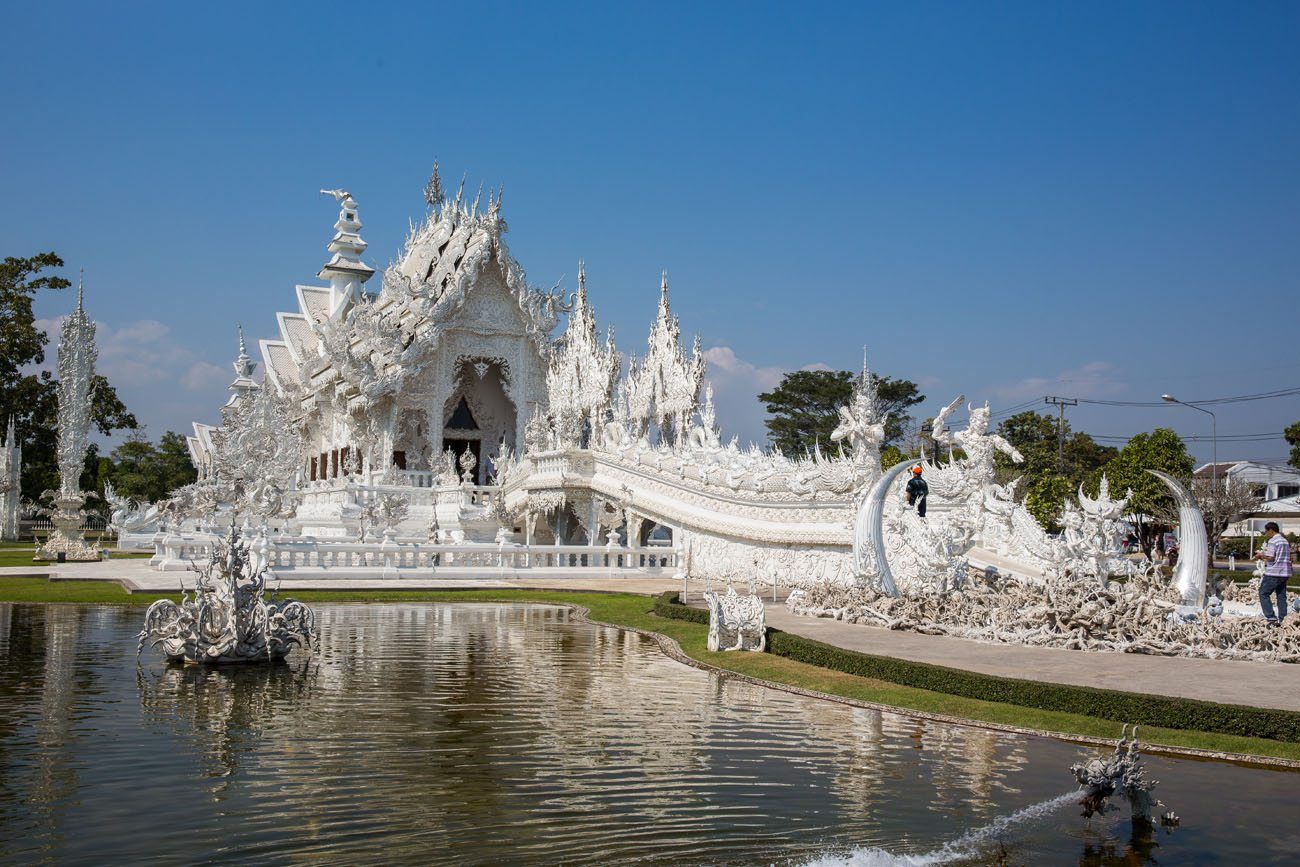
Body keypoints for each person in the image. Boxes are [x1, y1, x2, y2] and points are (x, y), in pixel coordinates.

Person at [1253, 522, 1292, 626]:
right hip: (1284, 573)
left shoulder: (1273, 541)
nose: (1266, 534)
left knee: (1263, 593)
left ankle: (1271, 617)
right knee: (1281, 595)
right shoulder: (1284, 541)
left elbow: (1271, 557)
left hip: (1273, 572)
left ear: (1271, 530)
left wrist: (1261, 555)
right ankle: (1283, 618)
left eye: (1266, 531)